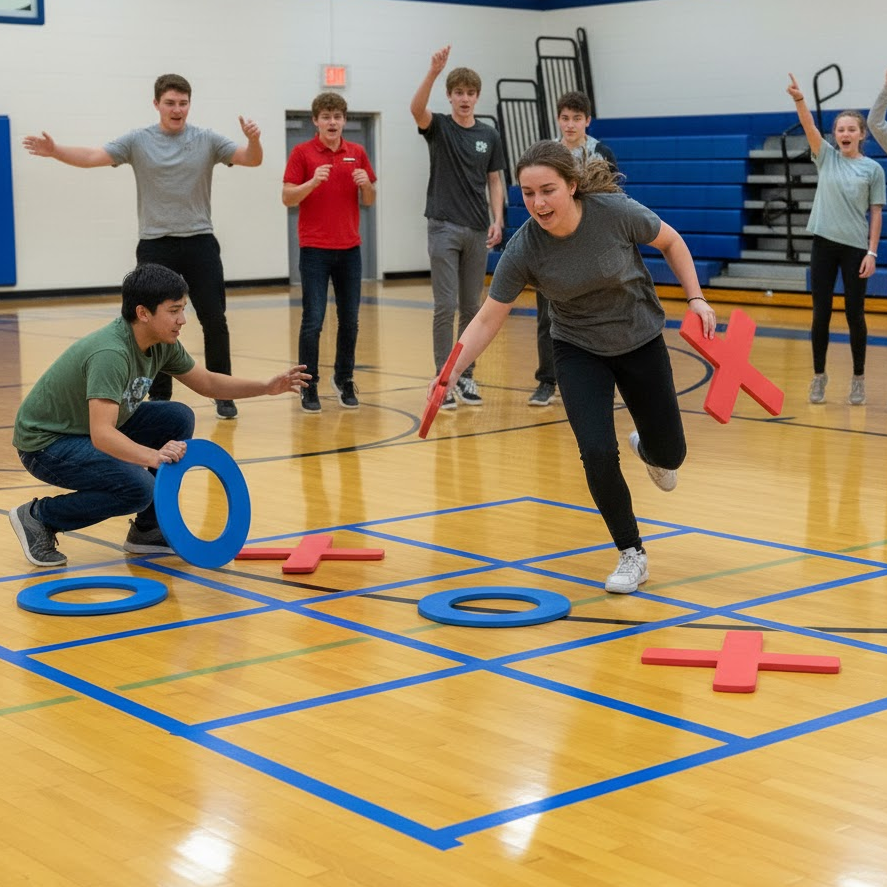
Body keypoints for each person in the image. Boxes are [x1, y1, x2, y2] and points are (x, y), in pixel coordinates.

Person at [427, 140, 717, 594]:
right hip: (578, 349)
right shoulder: (524, 249)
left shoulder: (615, 212)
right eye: (527, 193)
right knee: (597, 451)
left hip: (640, 338)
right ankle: (631, 552)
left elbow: (671, 240)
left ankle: (651, 451)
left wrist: (696, 298)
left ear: (573, 186)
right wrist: (449, 372)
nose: (538, 203)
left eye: (548, 190)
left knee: (671, 455)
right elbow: (487, 317)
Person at [8, 263, 310, 569]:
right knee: (138, 488)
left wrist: (267, 387)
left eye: (183, 309)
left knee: (177, 417)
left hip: (84, 429)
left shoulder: (162, 344)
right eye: (174, 310)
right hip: (46, 444)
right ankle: (39, 518)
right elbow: (102, 434)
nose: (183, 320)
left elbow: (206, 383)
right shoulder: (111, 353)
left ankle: (146, 530)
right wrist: (153, 457)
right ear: (143, 313)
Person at [22, 73, 264, 420]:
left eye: (183, 103)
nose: (177, 109)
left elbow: (250, 159)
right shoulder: (138, 140)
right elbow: (93, 156)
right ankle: (159, 395)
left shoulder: (207, 140)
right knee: (155, 321)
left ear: (189, 105)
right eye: (170, 103)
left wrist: (254, 140)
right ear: (157, 104)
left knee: (214, 317)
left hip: (200, 241)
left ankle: (223, 394)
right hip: (155, 244)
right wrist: (55, 150)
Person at [411, 44, 505, 409]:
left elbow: (495, 180)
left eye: (470, 93)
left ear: (477, 97)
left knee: (472, 307)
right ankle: (443, 379)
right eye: (458, 93)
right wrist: (434, 72)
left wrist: (497, 219)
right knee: (445, 305)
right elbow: (416, 110)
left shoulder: (489, 135)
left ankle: (466, 376)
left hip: (477, 229)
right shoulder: (439, 127)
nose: (464, 98)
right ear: (449, 97)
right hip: (443, 227)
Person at [786, 73, 885, 406]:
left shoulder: (873, 169)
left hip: (856, 248)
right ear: (835, 135)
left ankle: (858, 379)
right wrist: (800, 100)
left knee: (855, 315)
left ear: (862, 134)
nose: (845, 133)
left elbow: (875, 213)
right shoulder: (825, 157)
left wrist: (872, 252)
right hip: (824, 245)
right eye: (840, 129)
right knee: (821, 313)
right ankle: (819, 377)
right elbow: (809, 127)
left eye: (851, 129)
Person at [282, 92, 376, 413]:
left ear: (344, 120)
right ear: (316, 121)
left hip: (350, 249)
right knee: (313, 320)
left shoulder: (358, 152)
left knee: (350, 320)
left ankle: (344, 378)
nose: (332, 122)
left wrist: (367, 185)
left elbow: (369, 200)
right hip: (315, 251)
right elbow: (288, 198)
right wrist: (311, 182)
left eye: (337, 116)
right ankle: (308, 386)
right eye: (326, 116)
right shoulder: (302, 153)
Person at [530, 90, 618, 407]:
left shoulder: (600, 152)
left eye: (576, 119)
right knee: (546, 316)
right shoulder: (546, 154)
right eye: (565, 118)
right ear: (558, 119)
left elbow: (613, 199)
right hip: (552, 246)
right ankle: (546, 381)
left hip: (591, 245)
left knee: (596, 313)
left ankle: (599, 380)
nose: (570, 125)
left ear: (587, 121)